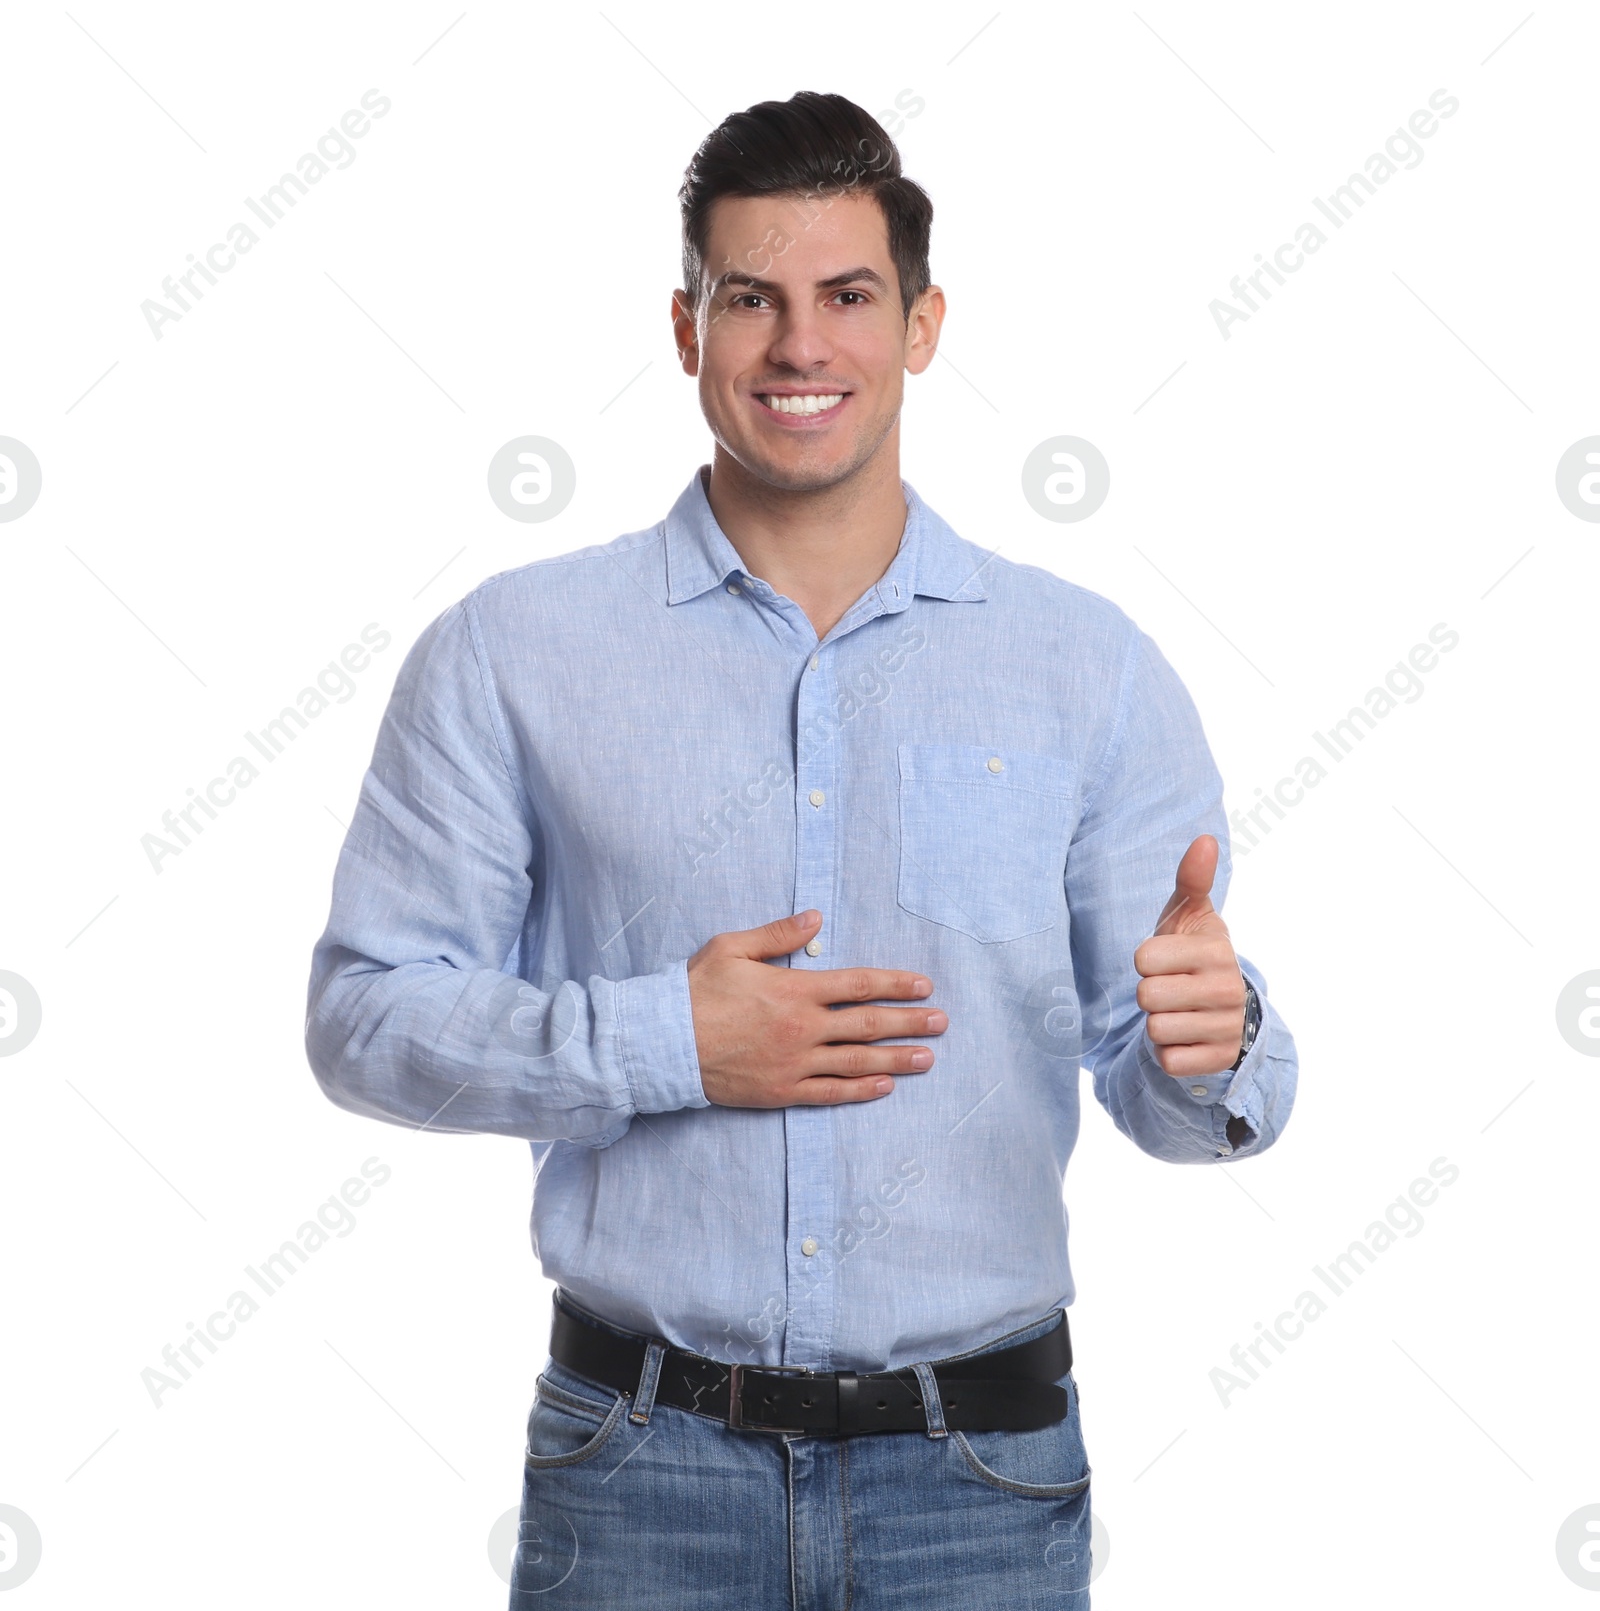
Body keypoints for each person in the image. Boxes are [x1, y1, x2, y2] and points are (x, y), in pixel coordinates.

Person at [305, 90, 1297, 1608]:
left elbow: (1182, 1100)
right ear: (687, 326)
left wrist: (1211, 1045)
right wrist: (665, 1042)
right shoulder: (512, 651)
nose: (799, 347)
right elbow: (364, 1019)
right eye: (750, 300)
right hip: (639, 1473)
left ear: (922, 324)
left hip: (980, 1477)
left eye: (846, 297)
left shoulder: (1083, 668)